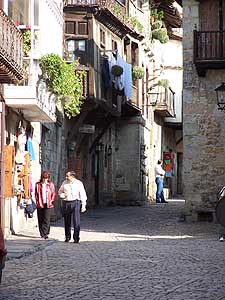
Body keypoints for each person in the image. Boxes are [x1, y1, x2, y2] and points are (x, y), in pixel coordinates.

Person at [58, 171, 87, 243]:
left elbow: (83, 194)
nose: (66, 177)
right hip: (66, 202)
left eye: (68, 176)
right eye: (66, 176)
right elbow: (60, 191)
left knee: (76, 220)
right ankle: (67, 237)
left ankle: (76, 237)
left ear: (72, 176)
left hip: (76, 202)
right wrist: (62, 195)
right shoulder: (64, 183)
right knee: (67, 220)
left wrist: (83, 205)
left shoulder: (79, 183)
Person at [35, 171, 56, 239]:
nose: (45, 179)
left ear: (48, 178)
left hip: (48, 203)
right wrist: (37, 201)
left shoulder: (51, 185)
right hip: (40, 203)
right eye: (44, 178)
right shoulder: (38, 185)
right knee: (40, 218)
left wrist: (51, 200)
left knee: (46, 219)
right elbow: (36, 194)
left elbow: (53, 193)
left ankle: (46, 232)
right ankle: (42, 233)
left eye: (46, 178)